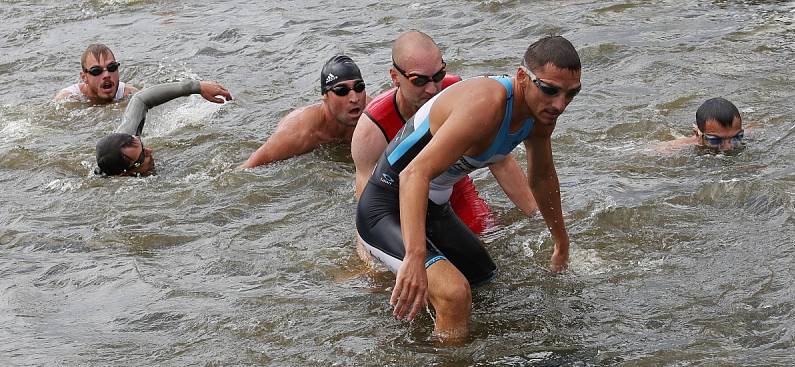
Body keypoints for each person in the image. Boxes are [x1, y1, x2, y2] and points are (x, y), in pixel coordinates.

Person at [355, 36, 581, 340]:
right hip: (387, 206)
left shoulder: (542, 114)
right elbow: (414, 174)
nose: (560, 104)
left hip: (433, 208)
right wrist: (414, 256)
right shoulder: (486, 104)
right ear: (522, 77)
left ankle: (428, 340)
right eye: (551, 90)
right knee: (454, 294)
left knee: (485, 281)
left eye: (571, 94)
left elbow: (542, 177)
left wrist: (561, 242)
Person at [352, 31, 536, 236]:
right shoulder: (373, 127)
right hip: (399, 195)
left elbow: (499, 159)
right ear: (395, 77)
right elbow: (367, 201)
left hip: (452, 185)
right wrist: (369, 257)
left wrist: (538, 216)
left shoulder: (457, 91)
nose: (433, 89)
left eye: (439, 76)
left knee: (491, 234)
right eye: (419, 81)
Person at [239, 55, 368, 168]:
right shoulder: (301, 132)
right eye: (342, 91)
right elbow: (246, 169)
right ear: (325, 96)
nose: (354, 98)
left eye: (359, 87)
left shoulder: (373, 114)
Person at [95, 80, 232, 176]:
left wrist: (197, 86)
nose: (150, 150)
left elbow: (140, 99)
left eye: (142, 146)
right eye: (142, 156)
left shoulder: (124, 141)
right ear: (123, 175)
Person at [55, 43, 138, 104]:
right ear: (84, 77)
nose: (107, 75)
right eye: (96, 71)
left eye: (112, 67)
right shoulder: (68, 99)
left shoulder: (130, 95)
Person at [658, 97, 745, 153]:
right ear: (698, 134)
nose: (728, 147)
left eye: (736, 137)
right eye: (716, 140)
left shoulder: (742, 133)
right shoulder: (677, 147)